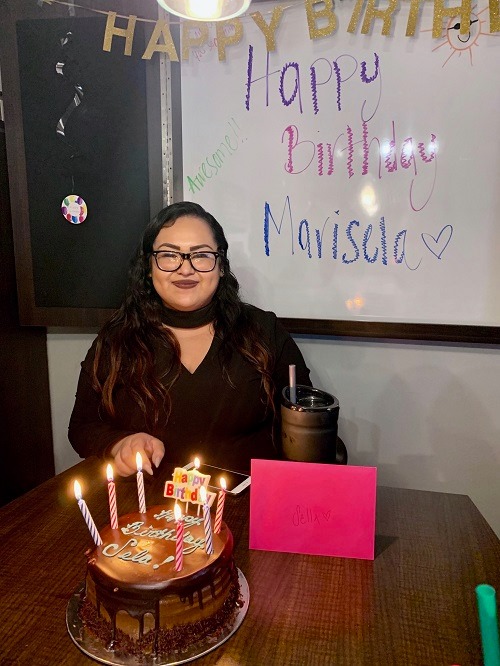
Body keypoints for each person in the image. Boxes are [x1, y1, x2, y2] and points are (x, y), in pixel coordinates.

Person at [69, 201, 311, 476]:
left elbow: (307, 425)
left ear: (221, 266)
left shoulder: (264, 332)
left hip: (245, 499)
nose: (185, 269)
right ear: (149, 267)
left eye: (201, 255)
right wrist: (118, 444)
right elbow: (82, 427)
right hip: (150, 499)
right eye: (169, 255)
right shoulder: (117, 339)